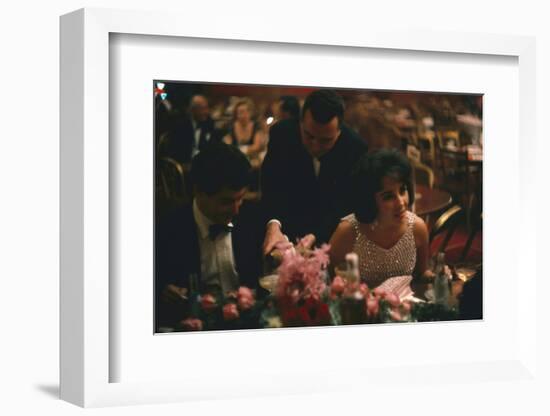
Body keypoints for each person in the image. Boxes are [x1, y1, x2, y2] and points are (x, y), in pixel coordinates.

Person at [155, 142, 263, 329]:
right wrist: (162, 290)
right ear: (198, 192)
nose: (237, 210)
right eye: (226, 201)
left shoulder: (251, 218)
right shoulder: (167, 228)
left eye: (241, 199)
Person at [261, 89, 368, 254]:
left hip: (333, 237)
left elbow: (347, 204)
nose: (315, 146)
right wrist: (273, 224)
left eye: (325, 140)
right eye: (309, 136)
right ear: (301, 122)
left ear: (339, 131)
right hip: (286, 234)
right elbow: (271, 186)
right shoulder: (281, 134)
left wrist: (316, 235)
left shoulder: (355, 148)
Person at [328, 149, 430, 288]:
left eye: (402, 190)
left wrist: (439, 276)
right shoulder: (348, 232)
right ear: (369, 200)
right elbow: (330, 281)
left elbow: (422, 274)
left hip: (405, 307)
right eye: (388, 196)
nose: (401, 202)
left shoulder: (418, 228)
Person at [162, 94, 222, 165]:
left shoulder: (209, 122)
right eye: (202, 109)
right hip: (184, 163)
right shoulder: (180, 125)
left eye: (207, 108)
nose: (206, 112)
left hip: (203, 164)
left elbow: (212, 144)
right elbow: (174, 151)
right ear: (193, 110)